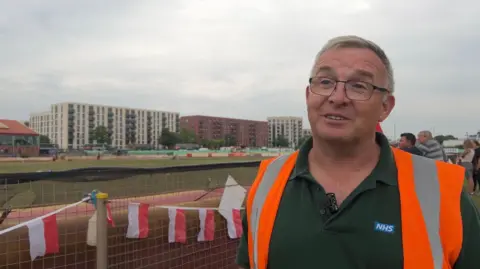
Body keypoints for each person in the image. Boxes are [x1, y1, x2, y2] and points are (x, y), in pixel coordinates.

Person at [236, 35, 480, 269]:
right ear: (308, 95)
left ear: (385, 107)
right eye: (325, 82)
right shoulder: (267, 181)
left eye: (359, 86)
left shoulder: (442, 191)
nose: (338, 97)